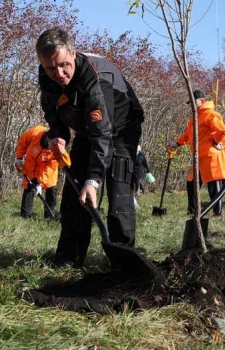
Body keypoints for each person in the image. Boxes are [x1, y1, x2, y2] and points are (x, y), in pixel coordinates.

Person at [36, 27, 145, 268]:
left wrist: (94, 180)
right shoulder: (47, 77)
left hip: (122, 128)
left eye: (64, 64)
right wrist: (58, 136)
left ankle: (123, 260)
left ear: (73, 53)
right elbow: (53, 114)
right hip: (88, 130)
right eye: (51, 68)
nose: (59, 73)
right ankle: (69, 258)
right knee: (75, 193)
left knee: (118, 190)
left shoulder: (96, 81)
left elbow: (103, 133)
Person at [167, 89, 225, 217]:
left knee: (214, 186)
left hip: (211, 156)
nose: (191, 105)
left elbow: (223, 131)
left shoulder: (211, 114)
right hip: (199, 157)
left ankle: (217, 214)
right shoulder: (194, 117)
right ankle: (192, 212)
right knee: (191, 183)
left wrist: (216, 141)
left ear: (202, 101)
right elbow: (188, 135)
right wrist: (177, 143)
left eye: (193, 101)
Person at [15, 125, 59, 220]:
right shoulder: (35, 133)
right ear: (47, 138)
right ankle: (25, 216)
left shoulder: (57, 148)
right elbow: (22, 141)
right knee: (29, 184)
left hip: (49, 167)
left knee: (51, 186)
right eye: (52, 144)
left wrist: (40, 183)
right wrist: (19, 157)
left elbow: (47, 170)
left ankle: (49, 216)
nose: (54, 147)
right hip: (31, 163)